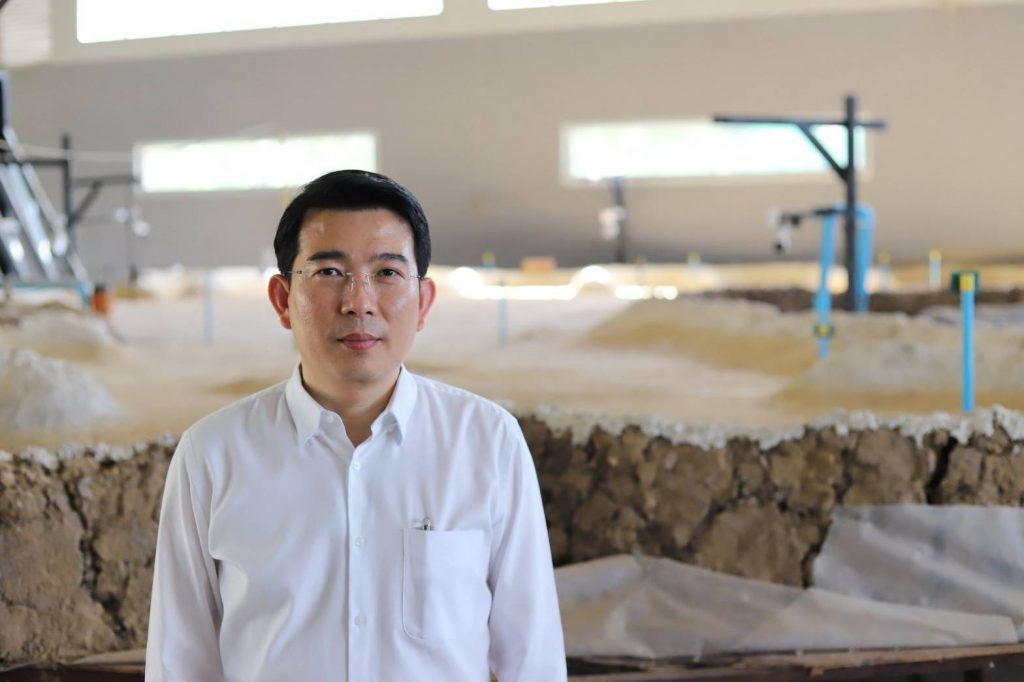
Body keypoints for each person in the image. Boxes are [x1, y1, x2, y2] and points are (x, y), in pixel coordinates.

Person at [146, 170, 567, 681]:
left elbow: (532, 659)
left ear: (423, 301)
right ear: (282, 300)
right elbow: (180, 663)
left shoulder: (486, 442)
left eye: (386, 272)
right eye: (329, 272)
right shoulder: (213, 454)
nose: (358, 301)